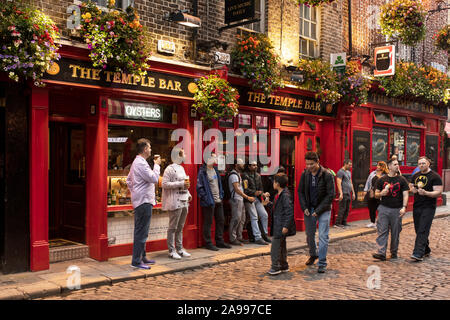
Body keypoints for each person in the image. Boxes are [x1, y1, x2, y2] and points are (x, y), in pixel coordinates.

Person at [298, 151, 335, 273]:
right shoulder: (305, 174)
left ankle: (322, 262)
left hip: (323, 209)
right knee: (309, 235)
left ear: (318, 162)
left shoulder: (327, 175)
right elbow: (301, 192)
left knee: (323, 236)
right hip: (309, 208)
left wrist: (318, 211)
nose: (309, 167)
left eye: (311, 164)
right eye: (307, 164)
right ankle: (313, 254)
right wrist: (304, 208)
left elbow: (330, 195)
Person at [126, 138, 161, 270]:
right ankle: (136, 261)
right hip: (144, 201)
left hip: (141, 200)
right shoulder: (141, 163)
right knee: (142, 232)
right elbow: (154, 178)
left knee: (141, 230)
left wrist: (134, 191)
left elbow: (129, 180)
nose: (151, 150)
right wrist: (157, 165)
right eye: (150, 147)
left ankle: (142, 257)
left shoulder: (137, 162)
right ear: (145, 149)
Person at [373, 158, 409, 261]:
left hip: (396, 209)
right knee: (382, 231)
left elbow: (405, 194)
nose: (397, 166)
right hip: (383, 208)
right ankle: (381, 253)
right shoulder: (381, 180)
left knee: (395, 232)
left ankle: (394, 252)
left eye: (398, 164)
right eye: (395, 164)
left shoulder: (402, 180)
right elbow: (375, 194)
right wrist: (381, 194)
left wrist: (404, 207)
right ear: (389, 166)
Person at [409, 156, 443, 262]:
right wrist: (412, 190)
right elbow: (410, 186)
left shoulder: (435, 177)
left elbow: (438, 192)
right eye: (419, 163)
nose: (421, 165)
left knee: (423, 229)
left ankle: (418, 253)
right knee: (418, 229)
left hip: (429, 207)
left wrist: (426, 193)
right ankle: (426, 249)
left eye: (423, 163)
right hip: (417, 206)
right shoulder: (416, 175)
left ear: (428, 163)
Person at [196, 153, 231, 251]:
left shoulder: (215, 170)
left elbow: (219, 184)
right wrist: (206, 198)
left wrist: (221, 194)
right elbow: (199, 187)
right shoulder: (203, 172)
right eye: (214, 156)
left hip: (218, 200)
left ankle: (219, 241)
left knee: (220, 220)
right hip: (209, 202)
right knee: (208, 222)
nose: (216, 158)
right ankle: (208, 243)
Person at [162, 148, 192, 260]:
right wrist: (181, 183)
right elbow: (164, 184)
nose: (186, 154)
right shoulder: (169, 169)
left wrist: (188, 193)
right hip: (175, 201)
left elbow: (185, 183)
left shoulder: (182, 168)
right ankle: (171, 250)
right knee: (173, 227)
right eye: (184, 153)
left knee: (180, 227)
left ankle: (179, 248)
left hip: (184, 201)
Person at [267, 174, 296, 276]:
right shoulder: (278, 195)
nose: (273, 183)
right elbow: (277, 209)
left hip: (281, 225)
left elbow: (289, 211)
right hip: (278, 224)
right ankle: (284, 265)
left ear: (278, 184)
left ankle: (275, 267)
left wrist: (286, 226)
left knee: (275, 247)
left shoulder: (285, 195)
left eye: (274, 181)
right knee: (282, 246)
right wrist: (268, 203)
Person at [242, 160, 271, 245]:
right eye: (253, 165)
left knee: (264, 215)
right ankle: (257, 237)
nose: (255, 167)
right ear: (249, 166)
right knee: (254, 217)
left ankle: (264, 235)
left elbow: (261, 188)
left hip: (257, 199)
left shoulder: (258, 176)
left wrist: (263, 194)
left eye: (256, 165)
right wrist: (254, 193)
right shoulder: (245, 176)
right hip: (249, 199)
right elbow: (245, 189)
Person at [228, 158, 254, 246]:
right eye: (241, 163)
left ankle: (239, 236)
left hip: (240, 199)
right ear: (236, 165)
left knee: (242, 219)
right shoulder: (233, 175)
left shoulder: (238, 174)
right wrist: (247, 197)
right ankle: (233, 238)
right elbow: (237, 189)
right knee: (236, 218)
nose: (243, 165)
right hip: (236, 199)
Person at [366, 161, 388, 228]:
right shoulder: (373, 173)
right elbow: (368, 182)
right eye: (377, 165)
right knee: (371, 208)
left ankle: (380, 222)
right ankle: (372, 222)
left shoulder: (385, 175)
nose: (377, 166)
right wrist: (366, 190)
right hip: (372, 193)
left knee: (380, 208)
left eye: (379, 165)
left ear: (383, 167)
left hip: (380, 194)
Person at [335, 159, 356, 228]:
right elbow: (338, 183)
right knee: (342, 208)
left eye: (351, 165)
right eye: (349, 165)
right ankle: (337, 223)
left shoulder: (348, 172)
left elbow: (351, 182)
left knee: (347, 208)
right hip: (343, 192)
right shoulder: (340, 172)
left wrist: (353, 193)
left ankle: (344, 222)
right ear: (345, 164)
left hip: (348, 192)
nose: (350, 166)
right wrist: (340, 193)